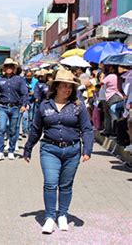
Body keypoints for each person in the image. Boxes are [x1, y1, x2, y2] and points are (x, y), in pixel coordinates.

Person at [23, 67, 93, 234]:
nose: (67, 89)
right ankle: (49, 217)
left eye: (70, 86)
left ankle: (62, 215)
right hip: (49, 149)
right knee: (50, 183)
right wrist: (28, 148)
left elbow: (87, 129)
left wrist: (88, 150)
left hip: (72, 150)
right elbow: (36, 128)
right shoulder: (44, 105)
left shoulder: (78, 106)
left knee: (66, 185)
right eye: (63, 86)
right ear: (56, 87)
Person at [0, 58, 28, 161]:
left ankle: (11, 150)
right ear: (4, 68)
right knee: (1, 129)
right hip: (2, 107)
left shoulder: (19, 80)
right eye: (7, 66)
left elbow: (24, 93)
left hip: (15, 107)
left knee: (13, 130)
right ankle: (0, 151)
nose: (9, 68)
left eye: (11, 66)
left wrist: (24, 104)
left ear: (14, 68)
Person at [21, 70, 38, 138]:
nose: (29, 77)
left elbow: (38, 90)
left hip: (32, 101)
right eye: (27, 76)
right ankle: (25, 131)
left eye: (30, 76)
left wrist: (34, 93)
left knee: (31, 117)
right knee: (25, 116)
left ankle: (30, 130)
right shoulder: (22, 81)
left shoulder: (36, 81)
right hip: (25, 101)